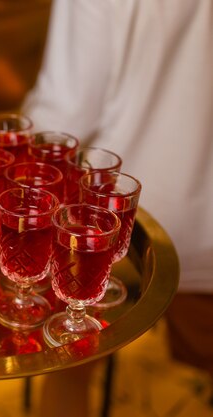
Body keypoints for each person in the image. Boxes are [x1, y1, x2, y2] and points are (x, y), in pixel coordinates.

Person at [21, 0, 213, 415]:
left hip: (121, 218)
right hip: (204, 218)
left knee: (70, 361)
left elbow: (66, 113)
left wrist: (14, 145)